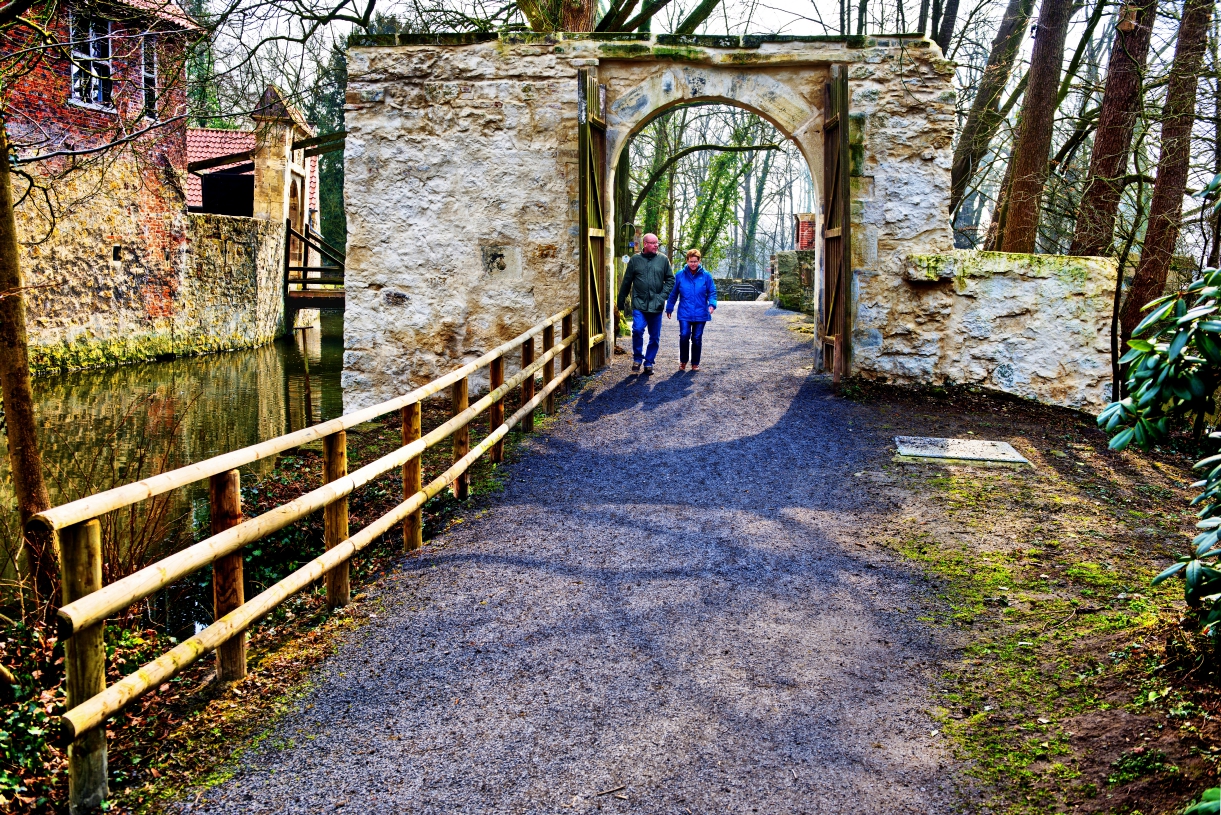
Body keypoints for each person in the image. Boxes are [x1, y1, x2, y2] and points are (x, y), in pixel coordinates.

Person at [616, 232, 674, 374]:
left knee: (654, 336)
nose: (656, 246)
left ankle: (649, 362)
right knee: (637, 330)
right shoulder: (635, 260)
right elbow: (627, 281)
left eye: (657, 243)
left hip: (656, 304)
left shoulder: (663, 260)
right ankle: (637, 358)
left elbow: (671, 280)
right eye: (653, 243)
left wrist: (662, 297)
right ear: (645, 244)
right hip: (640, 304)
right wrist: (621, 300)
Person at [665, 248, 717, 371]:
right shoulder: (679, 275)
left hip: (700, 313)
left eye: (695, 261)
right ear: (687, 261)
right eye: (690, 261)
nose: (693, 264)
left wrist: (712, 304)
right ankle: (683, 361)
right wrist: (669, 307)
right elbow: (673, 293)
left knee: (697, 338)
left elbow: (712, 292)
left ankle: (695, 363)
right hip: (685, 312)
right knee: (684, 335)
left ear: (699, 261)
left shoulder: (706, 276)